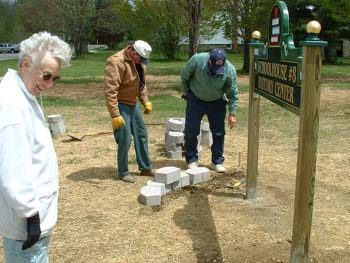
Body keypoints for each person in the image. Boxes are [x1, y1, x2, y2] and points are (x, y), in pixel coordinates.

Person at [0, 32, 72, 262]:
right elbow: (13, 170)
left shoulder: (24, 94)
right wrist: (31, 216)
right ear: (26, 63)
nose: (49, 85)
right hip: (26, 226)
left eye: (56, 79)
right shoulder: (13, 104)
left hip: (32, 220)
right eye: (47, 76)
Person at [181, 48, 239, 173]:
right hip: (196, 99)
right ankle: (192, 160)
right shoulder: (197, 60)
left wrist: (233, 114)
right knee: (191, 131)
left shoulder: (230, 70)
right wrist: (185, 91)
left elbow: (233, 93)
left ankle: (217, 162)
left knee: (218, 133)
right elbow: (185, 75)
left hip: (217, 102)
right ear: (209, 60)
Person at [104, 40, 154, 183]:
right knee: (125, 138)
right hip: (121, 104)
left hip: (133, 103)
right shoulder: (116, 62)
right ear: (133, 53)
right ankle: (123, 171)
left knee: (141, 133)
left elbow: (141, 84)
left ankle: (145, 167)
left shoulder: (140, 62)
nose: (142, 62)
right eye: (141, 59)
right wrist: (115, 114)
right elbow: (110, 91)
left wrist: (145, 101)